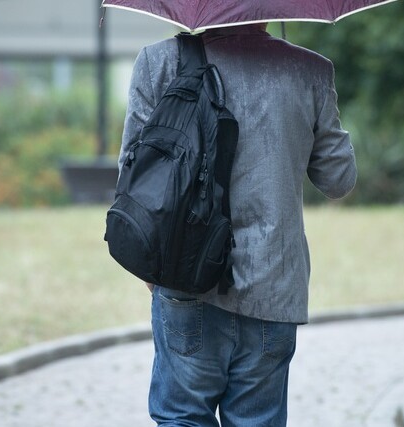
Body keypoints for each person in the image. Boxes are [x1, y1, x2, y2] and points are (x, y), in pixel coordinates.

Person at [122, 23, 356, 426]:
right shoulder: (311, 71)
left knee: (182, 417)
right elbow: (339, 180)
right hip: (274, 284)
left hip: (183, 276)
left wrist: (151, 268)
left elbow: (131, 174)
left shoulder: (160, 62)